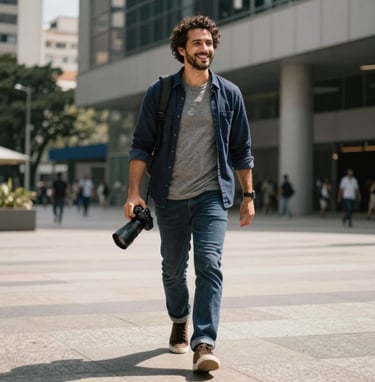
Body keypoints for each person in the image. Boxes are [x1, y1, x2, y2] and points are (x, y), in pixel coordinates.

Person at [123, 15, 255, 373]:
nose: (205, 49)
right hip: (169, 196)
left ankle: (203, 342)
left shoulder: (229, 93)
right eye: (197, 43)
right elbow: (140, 145)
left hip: (212, 194)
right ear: (182, 50)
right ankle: (179, 317)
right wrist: (134, 193)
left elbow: (242, 149)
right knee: (172, 269)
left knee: (209, 264)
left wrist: (249, 194)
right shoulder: (161, 92)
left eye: (209, 43)